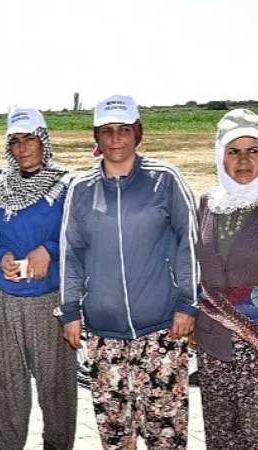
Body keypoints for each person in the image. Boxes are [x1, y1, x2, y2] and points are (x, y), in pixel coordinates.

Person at [58, 95, 199, 450]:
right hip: (104, 337)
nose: (116, 139)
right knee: (116, 435)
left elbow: (189, 243)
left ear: (138, 133)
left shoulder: (165, 179)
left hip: (162, 331)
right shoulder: (81, 189)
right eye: (107, 131)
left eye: (124, 130)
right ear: (96, 137)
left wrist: (187, 303)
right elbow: (71, 252)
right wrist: (70, 310)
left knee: (165, 433)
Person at [0, 108, 77, 450]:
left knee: (55, 383)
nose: (22, 148)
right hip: (3, 297)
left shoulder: (67, 185)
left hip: (48, 299)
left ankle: (57, 444)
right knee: (5, 381)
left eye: (29, 138)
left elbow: (80, 234)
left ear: (43, 141)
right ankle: (4, 444)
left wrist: (49, 249)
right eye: (15, 141)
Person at [194, 108, 258, 450]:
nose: (243, 160)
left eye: (252, 150)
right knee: (221, 433)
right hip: (213, 344)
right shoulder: (207, 204)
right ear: (220, 156)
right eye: (233, 151)